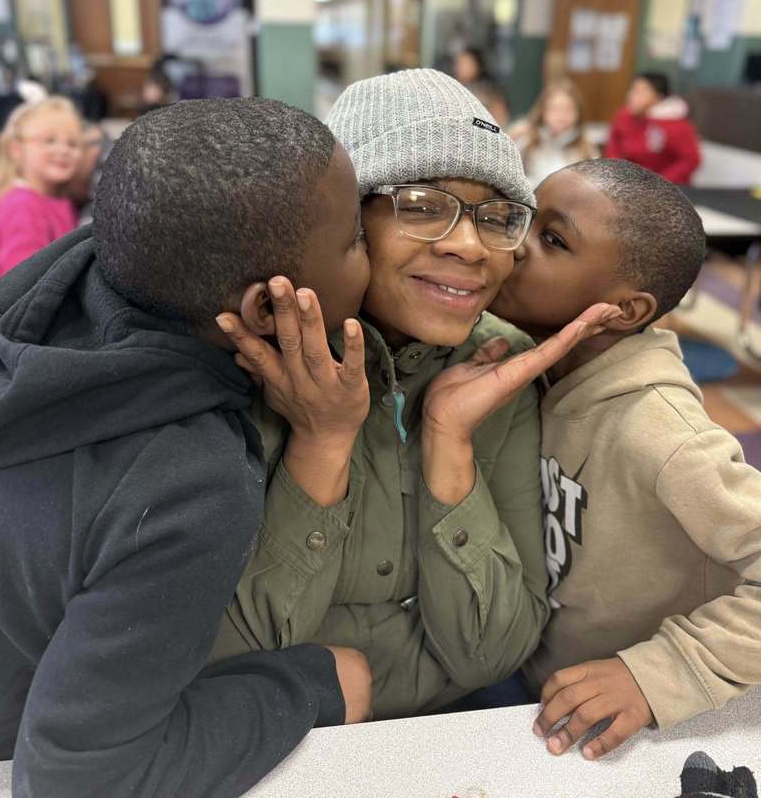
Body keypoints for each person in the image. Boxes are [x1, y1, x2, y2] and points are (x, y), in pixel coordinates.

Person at [0, 97, 374, 798]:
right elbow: (74, 779)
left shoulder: (58, 284)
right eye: (355, 238)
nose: (371, 252)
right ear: (267, 309)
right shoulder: (187, 480)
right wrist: (310, 685)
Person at [211, 69, 616, 720]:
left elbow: (494, 652)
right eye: (423, 204)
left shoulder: (502, 366)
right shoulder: (250, 357)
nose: (468, 244)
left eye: (497, 218)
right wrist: (321, 440)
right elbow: (232, 653)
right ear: (345, 222)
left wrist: (449, 443)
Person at [489, 159, 761, 760]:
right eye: (525, 219)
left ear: (627, 312)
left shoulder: (659, 432)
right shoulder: (540, 363)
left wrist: (662, 672)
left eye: (552, 240)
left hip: (624, 724)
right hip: (535, 675)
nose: (515, 245)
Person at [0, 96, 82, 279]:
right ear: (17, 149)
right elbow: (22, 281)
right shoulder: (23, 207)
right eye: (50, 141)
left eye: (72, 144)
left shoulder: (55, 199)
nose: (63, 150)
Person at [605, 72, 701, 184]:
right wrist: (617, 173)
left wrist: (658, 184)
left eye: (642, 91)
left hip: (665, 189)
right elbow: (614, 146)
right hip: (627, 184)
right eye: (633, 90)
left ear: (659, 97)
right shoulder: (624, 116)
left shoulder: (676, 123)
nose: (632, 95)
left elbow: (690, 160)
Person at [514, 78, 596, 187]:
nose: (561, 116)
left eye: (568, 109)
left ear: (578, 113)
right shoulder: (527, 142)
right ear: (543, 111)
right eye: (554, 109)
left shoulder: (587, 149)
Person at [453, 47, 510, 127]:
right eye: (459, 63)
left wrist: (473, 122)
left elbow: (498, 125)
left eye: (467, 63)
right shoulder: (452, 89)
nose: (461, 67)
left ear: (477, 65)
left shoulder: (489, 91)